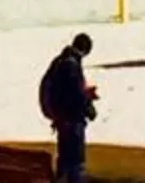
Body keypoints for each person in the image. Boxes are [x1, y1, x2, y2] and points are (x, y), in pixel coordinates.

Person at [37, 31, 96, 183]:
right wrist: (89, 108)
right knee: (76, 162)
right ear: (85, 51)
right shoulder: (71, 66)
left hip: (61, 119)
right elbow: (76, 94)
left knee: (64, 159)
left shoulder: (59, 61)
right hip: (72, 120)